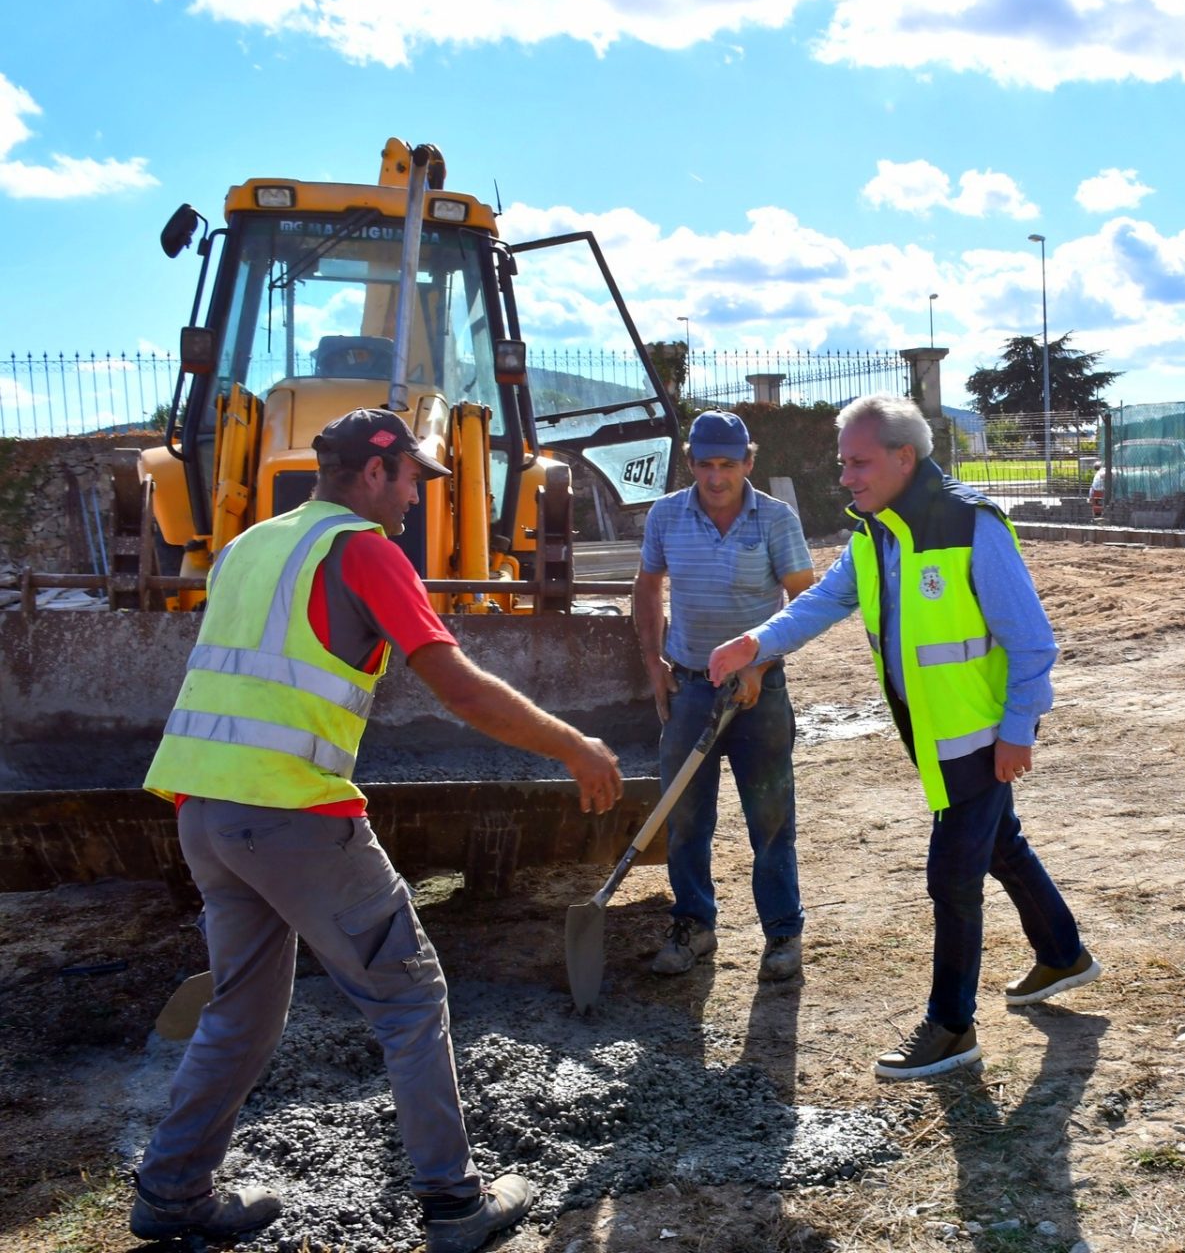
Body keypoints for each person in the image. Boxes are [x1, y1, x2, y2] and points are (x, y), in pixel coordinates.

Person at [135, 409, 623, 1252]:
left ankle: (171, 1193)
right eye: (413, 482)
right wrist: (576, 746)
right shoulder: (363, 550)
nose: (419, 499)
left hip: (204, 814)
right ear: (373, 474)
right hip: (291, 812)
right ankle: (454, 1206)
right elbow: (460, 689)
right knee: (409, 997)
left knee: (242, 1014)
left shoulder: (249, 546)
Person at [706, 395, 1100, 1081]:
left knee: (952, 875)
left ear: (903, 457)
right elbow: (827, 599)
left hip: (977, 738)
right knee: (999, 845)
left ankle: (951, 1026)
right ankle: (1062, 954)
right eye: (842, 464)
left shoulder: (971, 525)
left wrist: (1016, 731)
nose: (847, 477)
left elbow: (1034, 644)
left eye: (858, 463)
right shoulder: (874, 530)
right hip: (938, 736)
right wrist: (756, 643)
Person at [632, 411, 816, 981]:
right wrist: (654, 663)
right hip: (690, 688)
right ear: (690, 464)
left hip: (760, 692)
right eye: (706, 465)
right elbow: (647, 585)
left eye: (728, 465)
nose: (716, 478)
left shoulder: (776, 519)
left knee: (770, 817)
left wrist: (759, 661)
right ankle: (693, 926)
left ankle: (782, 935)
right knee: (685, 818)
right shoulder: (666, 515)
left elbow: (804, 600)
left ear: (749, 464)